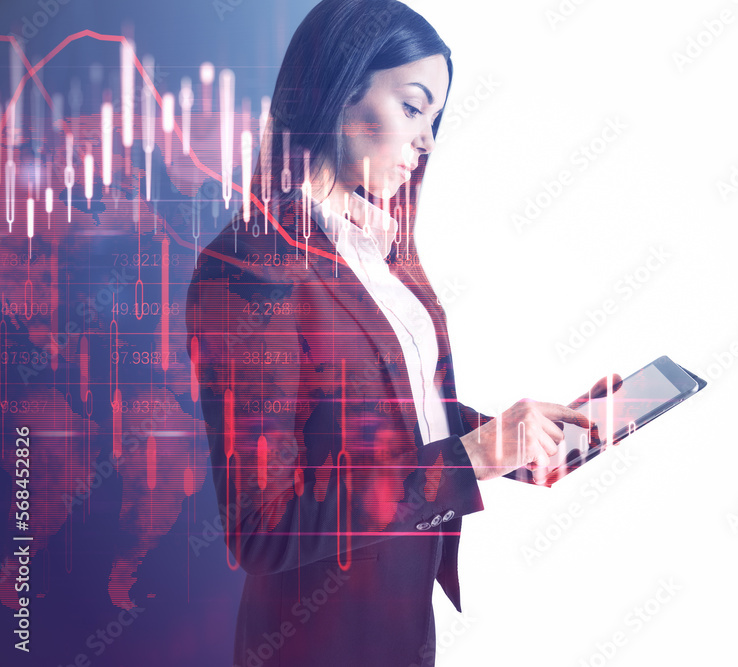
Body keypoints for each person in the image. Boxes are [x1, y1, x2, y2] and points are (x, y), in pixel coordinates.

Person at [185, 1, 612, 664]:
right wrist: (471, 457)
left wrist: (527, 442)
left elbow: (402, 417)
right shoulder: (248, 268)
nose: (429, 140)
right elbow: (263, 525)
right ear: (339, 87)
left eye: (435, 118)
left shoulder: (381, 251)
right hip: (316, 643)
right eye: (414, 107)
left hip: (403, 630)